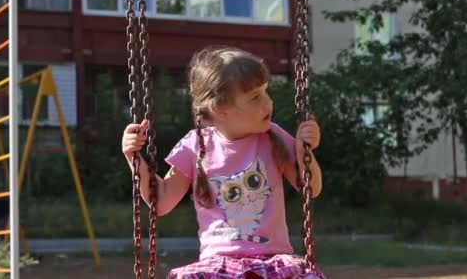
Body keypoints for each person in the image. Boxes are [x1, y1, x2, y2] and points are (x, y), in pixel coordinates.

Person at [121, 46, 325, 279]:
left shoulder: (273, 137)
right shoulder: (195, 145)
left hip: (271, 261)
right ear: (220, 109)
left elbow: (311, 189)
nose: (268, 103)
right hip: (219, 265)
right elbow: (162, 201)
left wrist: (303, 151)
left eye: (266, 92)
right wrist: (134, 157)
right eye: (255, 97)